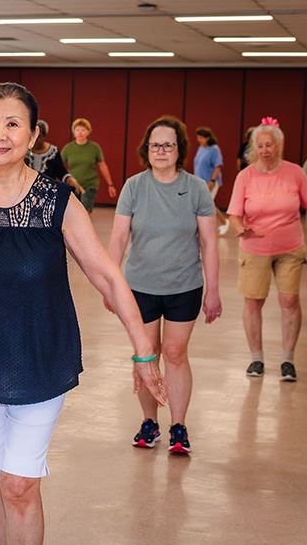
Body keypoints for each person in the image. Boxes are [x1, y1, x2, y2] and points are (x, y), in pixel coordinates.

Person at [0, 82, 166, 545]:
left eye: (12, 123)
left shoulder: (55, 201)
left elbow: (105, 274)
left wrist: (143, 348)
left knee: (18, 485)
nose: (0, 133)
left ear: (34, 134)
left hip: (38, 361)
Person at [108, 116, 222, 455]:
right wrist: (110, 283)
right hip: (139, 287)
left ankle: (178, 425)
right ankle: (149, 422)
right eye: (155, 144)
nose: (161, 150)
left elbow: (209, 242)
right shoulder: (134, 186)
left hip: (184, 285)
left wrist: (213, 290)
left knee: (174, 353)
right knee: (147, 355)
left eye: (168, 144)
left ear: (179, 150)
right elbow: (118, 237)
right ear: (147, 149)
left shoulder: (197, 188)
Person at [227, 118, 307, 381]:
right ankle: (256, 360)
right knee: (253, 302)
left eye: (269, 145)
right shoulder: (245, 176)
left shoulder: (295, 172)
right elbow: (235, 214)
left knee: (290, 300)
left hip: (290, 247)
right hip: (255, 247)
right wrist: (240, 229)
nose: (264, 150)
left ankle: (287, 360)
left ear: (279, 145)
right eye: (260, 146)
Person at [60, 118, 117, 212]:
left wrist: (110, 184)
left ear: (88, 132)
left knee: (85, 209)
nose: (80, 133)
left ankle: (84, 226)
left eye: (83, 130)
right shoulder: (68, 148)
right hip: (73, 184)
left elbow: (102, 166)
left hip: (90, 184)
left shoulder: (94, 148)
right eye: (77, 130)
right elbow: (60, 167)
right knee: (73, 212)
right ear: (74, 132)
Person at [26, 120, 85, 194]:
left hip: (48, 192)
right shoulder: (24, 151)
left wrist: (70, 179)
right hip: (26, 192)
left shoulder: (53, 151)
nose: (36, 139)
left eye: (39, 136)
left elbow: (61, 171)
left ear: (45, 136)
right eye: (34, 135)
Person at [193, 126, 230, 234]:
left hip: (210, 181)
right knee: (202, 204)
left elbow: (218, 166)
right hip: (200, 181)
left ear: (208, 138)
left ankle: (224, 222)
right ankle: (202, 226)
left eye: (201, 137)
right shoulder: (200, 148)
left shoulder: (214, 149)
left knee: (208, 203)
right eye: (198, 137)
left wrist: (212, 181)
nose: (199, 140)